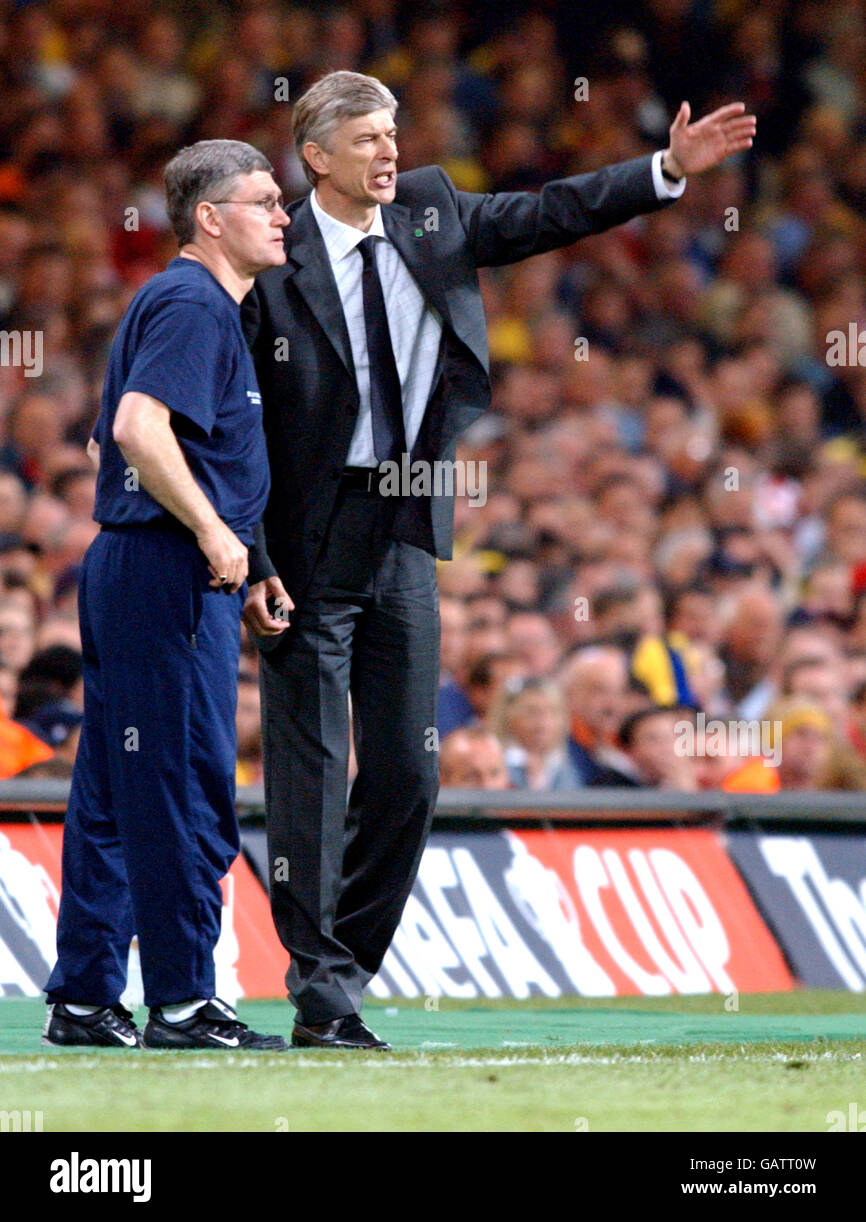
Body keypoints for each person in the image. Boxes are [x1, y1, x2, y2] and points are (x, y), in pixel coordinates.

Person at [241, 69, 755, 1048]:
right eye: (366, 141)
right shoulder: (269, 251)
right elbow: (238, 425)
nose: (390, 153)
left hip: (402, 527)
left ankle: (337, 967)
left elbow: (548, 211)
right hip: (303, 538)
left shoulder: (432, 209)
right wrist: (250, 555)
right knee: (308, 771)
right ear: (315, 157)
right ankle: (321, 992)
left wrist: (662, 171)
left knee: (406, 771)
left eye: (394, 134)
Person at [44, 140, 290, 1052]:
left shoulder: (192, 305)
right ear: (211, 219)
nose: (283, 214)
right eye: (264, 200)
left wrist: (252, 557)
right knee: (181, 782)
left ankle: (84, 997)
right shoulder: (194, 301)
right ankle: (186, 1001)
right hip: (168, 571)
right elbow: (139, 430)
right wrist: (216, 535)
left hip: (141, 567)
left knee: (115, 785)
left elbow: (201, 452)